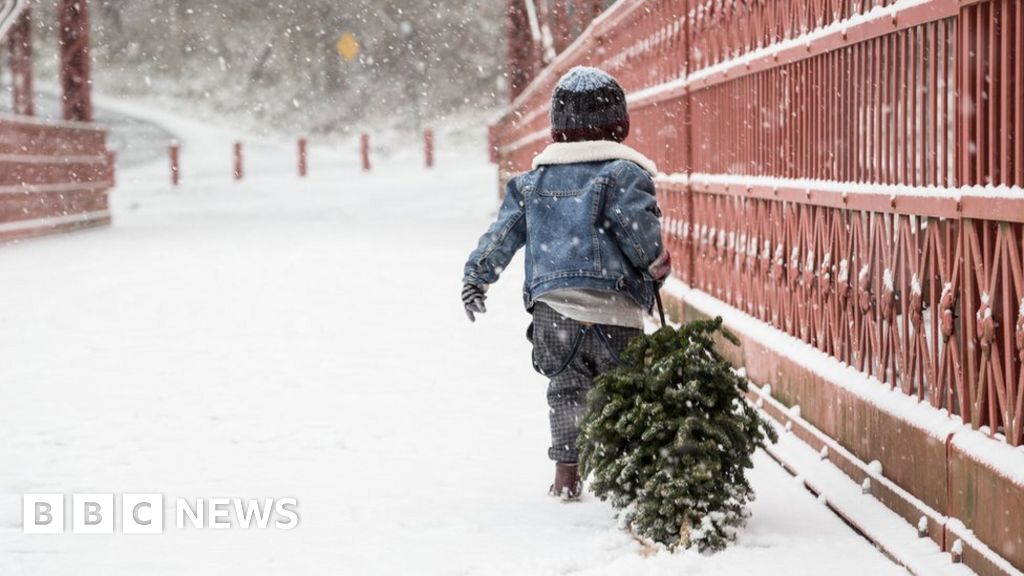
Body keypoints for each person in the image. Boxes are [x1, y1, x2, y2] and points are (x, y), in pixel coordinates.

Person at [461, 66, 671, 500]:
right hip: (615, 311)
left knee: (567, 392)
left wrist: (477, 276)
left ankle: (566, 476)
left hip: (554, 313)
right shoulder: (624, 175)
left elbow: (502, 235)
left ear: (556, 131)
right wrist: (654, 265)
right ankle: (624, 478)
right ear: (619, 125)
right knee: (624, 395)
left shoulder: (530, 184)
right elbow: (638, 236)